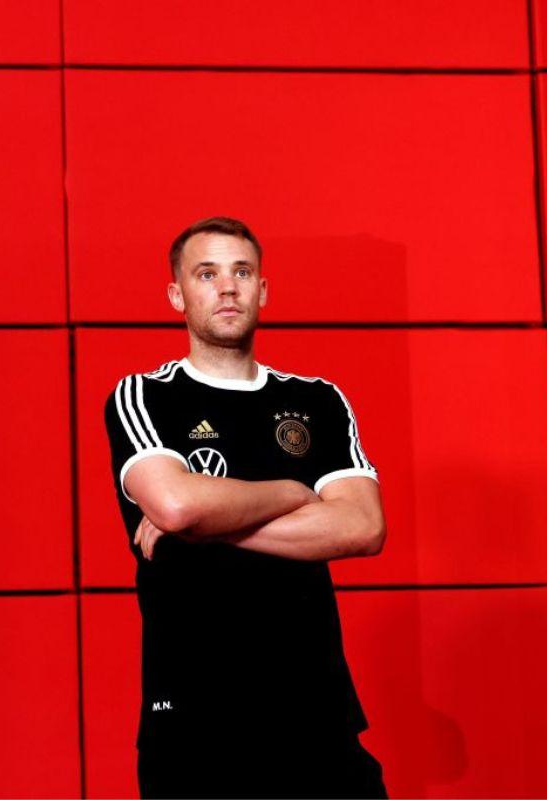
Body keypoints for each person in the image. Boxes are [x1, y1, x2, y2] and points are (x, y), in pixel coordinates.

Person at [103, 216, 389, 799]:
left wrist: (208, 523)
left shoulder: (316, 401)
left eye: (241, 272)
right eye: (206, 274)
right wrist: (293, 491)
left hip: (316, 714)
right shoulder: (144, 396)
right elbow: (178, 504)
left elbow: (362, 526)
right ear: (177, 295)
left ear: (262, 290)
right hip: (194, 722)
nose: (227, 287)